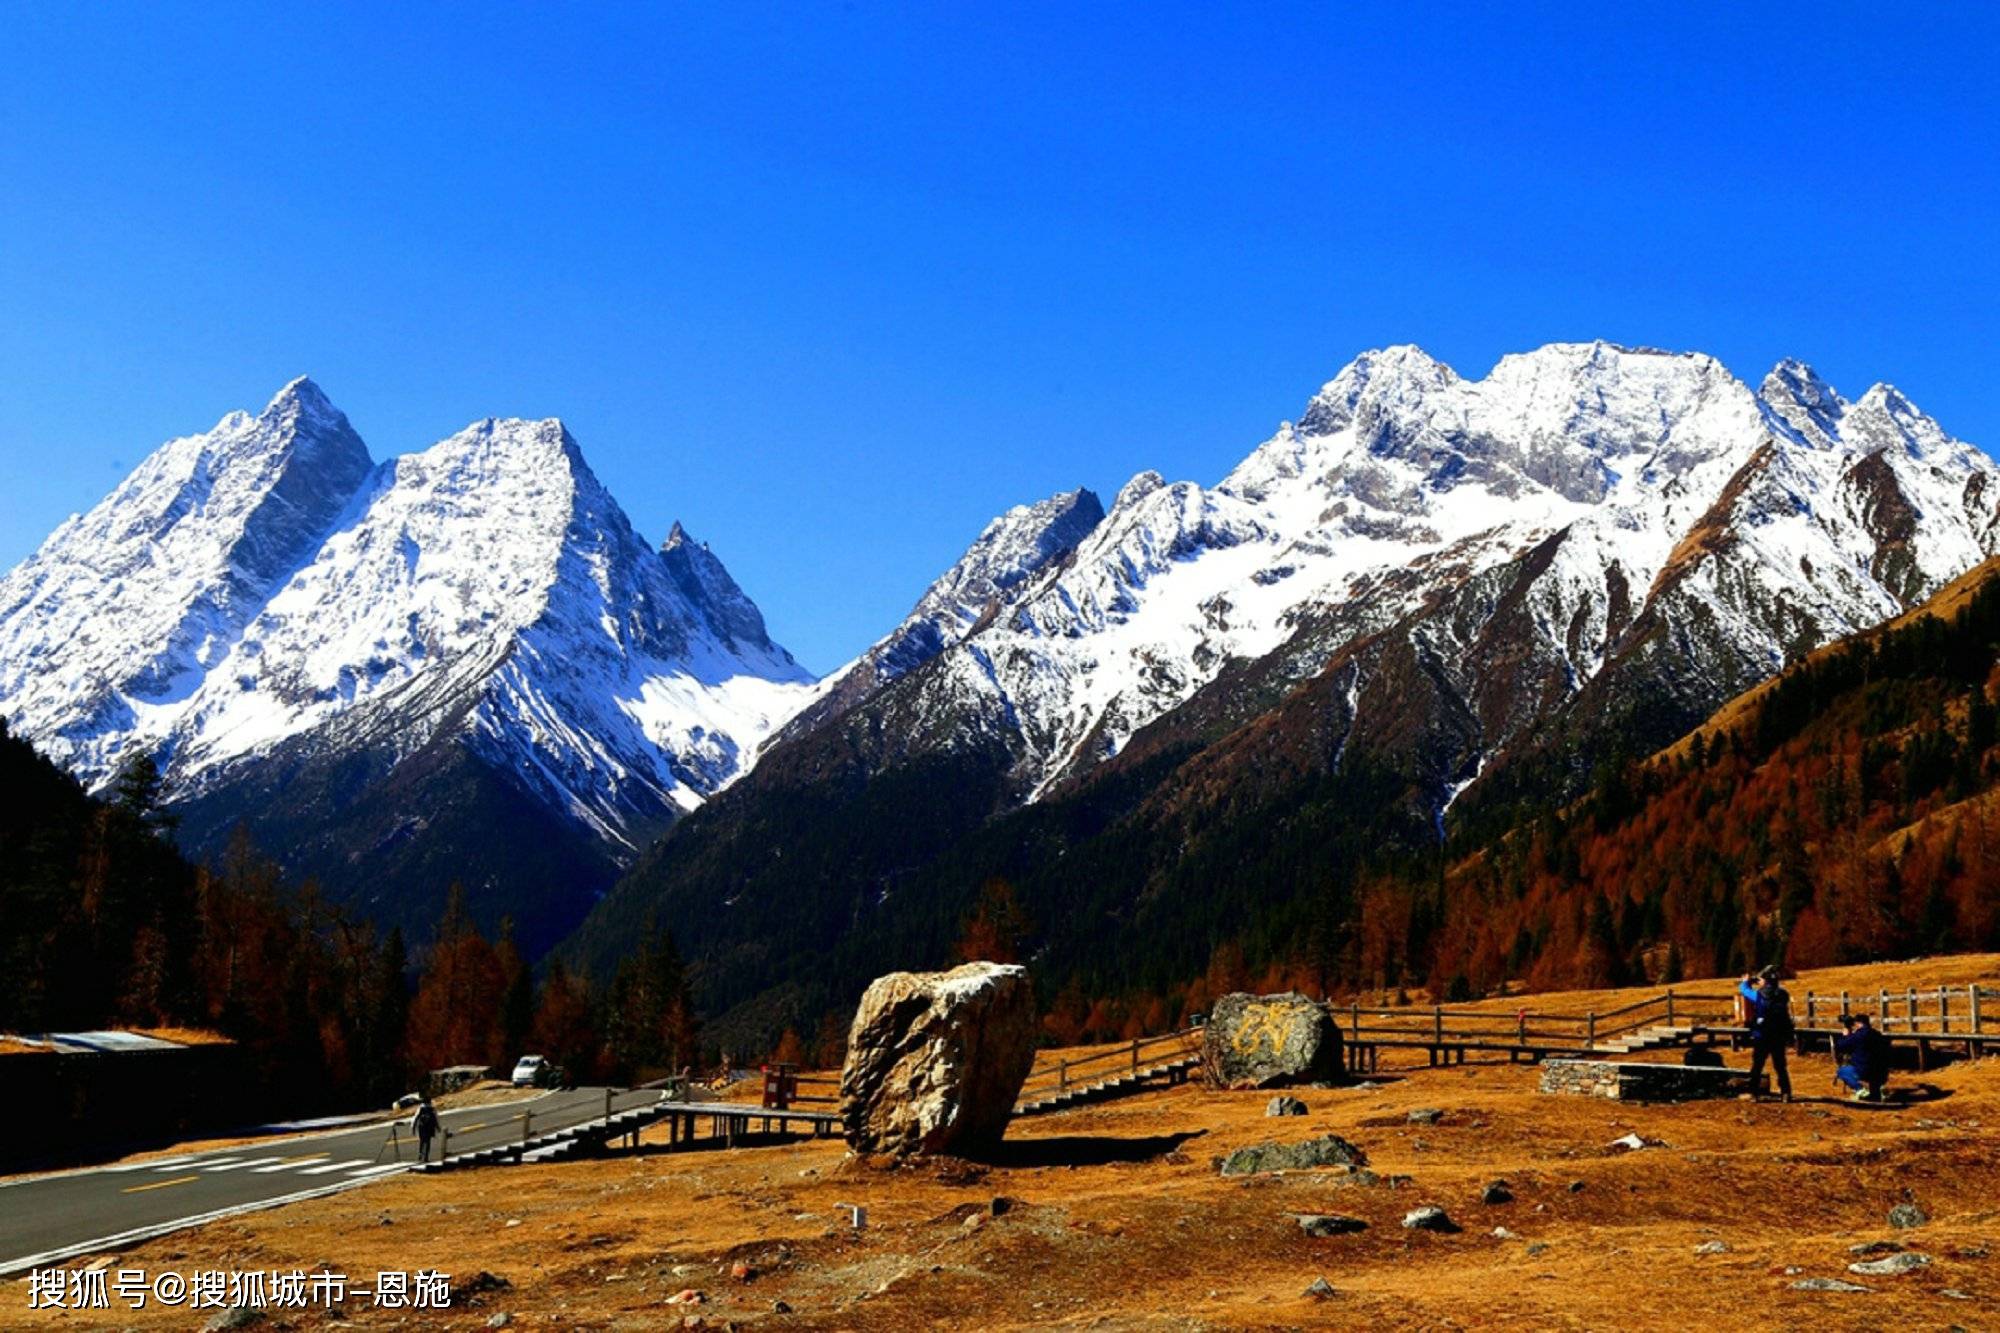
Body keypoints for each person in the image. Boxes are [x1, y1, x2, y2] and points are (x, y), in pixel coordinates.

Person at [1738, 966, 1794, 1102]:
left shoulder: (1759, 995)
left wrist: (1746, 982)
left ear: (1766, 981)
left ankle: (1754, 1093)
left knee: (1757, 1065)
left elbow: (1745, 991)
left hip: (1762, 1034)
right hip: (1779, 1034)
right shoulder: (1783, 995)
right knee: (1780, 1066)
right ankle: (1786, 1093)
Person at [1834, 1013, 1891, 1102]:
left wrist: (1846, 1036)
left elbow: (1841, 1046)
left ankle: (1860, 1090)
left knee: (1842, 1071)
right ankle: (1877, 1092)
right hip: (1880, 1072)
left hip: (1864, 1071)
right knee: (1873, 1071)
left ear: (1858, 1023)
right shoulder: (1877, 1034)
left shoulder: (1858, 1035)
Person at [412, 1096, 441, 1163]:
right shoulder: (432, 1108)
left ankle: (420, 1154)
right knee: (427, 1142)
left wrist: (413, 1127)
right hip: (430, 1127)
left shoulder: (420, 1108)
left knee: (422, 1141)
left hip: (422, 1127)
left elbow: (415, 1118)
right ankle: (426, 1157)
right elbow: (436, 1118)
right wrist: (438, 1127)